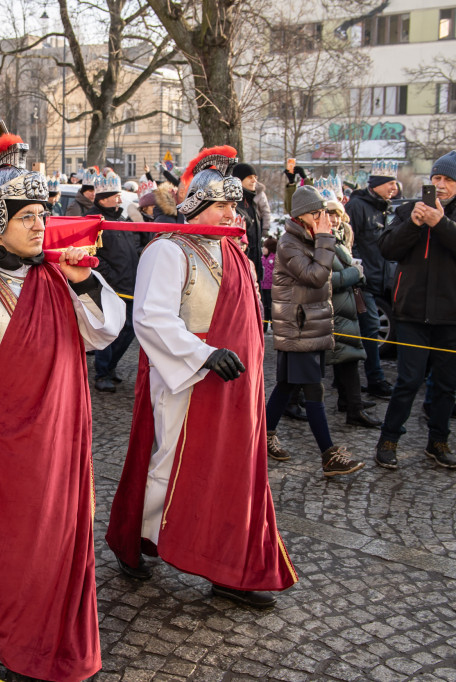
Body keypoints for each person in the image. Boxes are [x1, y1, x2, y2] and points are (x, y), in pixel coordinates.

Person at [0, 134, 124, 681]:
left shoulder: (59, 278)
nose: (41, 225)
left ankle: (23, 632)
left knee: (50, 547)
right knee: (7, 551)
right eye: (27, 215)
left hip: (59, 443)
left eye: (43, 214)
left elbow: (105, 331)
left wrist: (84, 283)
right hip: (0, 453)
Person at [106, 146, 297, 609]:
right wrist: (205, 355)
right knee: (171, 464)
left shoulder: (235, 252)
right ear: (196, 206)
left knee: (233, 474)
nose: (233, 213)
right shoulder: (168, 251)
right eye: (223, 205)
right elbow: (151, 319)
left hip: (237, 386)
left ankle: (227, 562)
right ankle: (143, 536)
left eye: (235, 205)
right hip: (187, 377)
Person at [263, 186, 364, 475]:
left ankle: (263, 435)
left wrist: (324, 237)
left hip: (312, 323)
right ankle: (329, 455)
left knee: (286, 384)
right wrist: (324, 238)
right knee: (313, 389)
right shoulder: (289, 243)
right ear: (301, 216)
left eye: (324, 213)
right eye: (318, 213)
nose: (325, 219)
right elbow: (317, 277)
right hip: (299, 326)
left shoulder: (310, 239)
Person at [374, 151, 456, 470]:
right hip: (410, 314)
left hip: (450, 317)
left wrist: (442, 224)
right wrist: (414, 223)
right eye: (437, 178)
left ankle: (438, 441)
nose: (441, 184)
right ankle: (389, 439)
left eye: (448, 179)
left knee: (447, 384)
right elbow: (386, 248)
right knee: (408, 380)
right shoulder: (409, 209)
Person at [321, 188, 380, 428]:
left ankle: (351, 404)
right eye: (329, 214)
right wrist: (355, 273)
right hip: (335, 309)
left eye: (337, 214)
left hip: (345, 307)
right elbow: (326, 279)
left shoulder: (340, 237)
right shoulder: (323, 242)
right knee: (340, 359)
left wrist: (357, 274)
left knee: (349, 358)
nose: (334, 219)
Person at [345, 160, 398, 400]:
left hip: (382, 279)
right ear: (376, 184)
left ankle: (347, 380)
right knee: (370, 327)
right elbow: (348, 242)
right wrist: (357, 271)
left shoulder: (386, 208)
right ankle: (374, 379)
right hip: (363, 280)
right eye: (389, 183)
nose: (394, 188)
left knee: (366, 328)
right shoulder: (356, 206)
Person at [92, 172, 143, 392]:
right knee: (109, 329)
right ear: (103, 199)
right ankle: (102, 372)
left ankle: (110, 367)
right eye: (115, 196)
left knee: (130, 329)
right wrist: (110, 277)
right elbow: (93, 255)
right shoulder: (92, 219)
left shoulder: (120, 218)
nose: (120, 199)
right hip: (109, 285)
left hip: (128, 283)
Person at [232, 163, 266, 283]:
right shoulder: (235, 206)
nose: (254, 180)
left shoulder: (252, 204)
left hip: (254, 268)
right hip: (243, 270)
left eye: (255, 177)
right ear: (239, 180)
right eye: (250, 177)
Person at [260, 236, 276, 331]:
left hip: (272, 286)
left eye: (265, 247)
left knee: (272, 306)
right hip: (263, 286)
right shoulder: (262, 258)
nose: (263, 249)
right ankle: (264, 327)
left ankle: (274, 325)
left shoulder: (275, 258)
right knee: (264, 307)